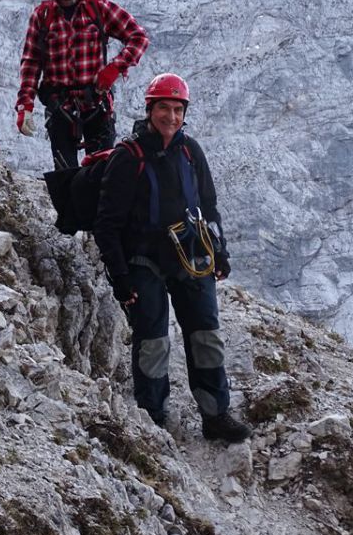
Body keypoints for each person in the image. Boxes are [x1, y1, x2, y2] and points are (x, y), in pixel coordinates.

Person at [93, 73, 252, 442]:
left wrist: (220, 253)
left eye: (178, 109)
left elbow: (208, 206)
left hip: (191, 256)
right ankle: (152, 418)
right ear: (150, 109)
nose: (171, 116)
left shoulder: (190, 151)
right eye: (164, 107)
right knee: (153, 342)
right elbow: (107, 224)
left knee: (207, 336)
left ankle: (216, 416)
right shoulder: (127, 157)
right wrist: (120, 278)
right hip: (143, 261)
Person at [15, 0, 149, 169]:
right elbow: (31, 62)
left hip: (97, 105)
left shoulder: (98, 9)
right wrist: (24, 105)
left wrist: (115, 67)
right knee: (65, 179)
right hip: (60, 108)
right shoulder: (42, 15)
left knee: (101, 178)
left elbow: (138, 37)